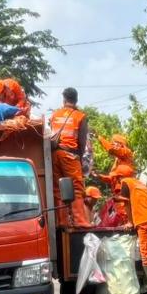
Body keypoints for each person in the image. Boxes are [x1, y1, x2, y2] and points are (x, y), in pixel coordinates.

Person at [112, 165, 147, 294]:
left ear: (119, 176)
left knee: (146, 253)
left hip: (144, 220)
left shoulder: (125, 182)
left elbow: (126, 203)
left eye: (117, 177)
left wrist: (130, 222)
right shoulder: (138, 183)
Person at [50, 88, 90, 227]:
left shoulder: (55, 115)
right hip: (70, 154)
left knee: (57, 188)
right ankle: (80, 221)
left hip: (54, 154)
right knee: (77, 187)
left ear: (64, 99)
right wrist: (78, 156)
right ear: (76, 100)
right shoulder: (80, 116)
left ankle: (62, 221)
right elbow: (82, 141)